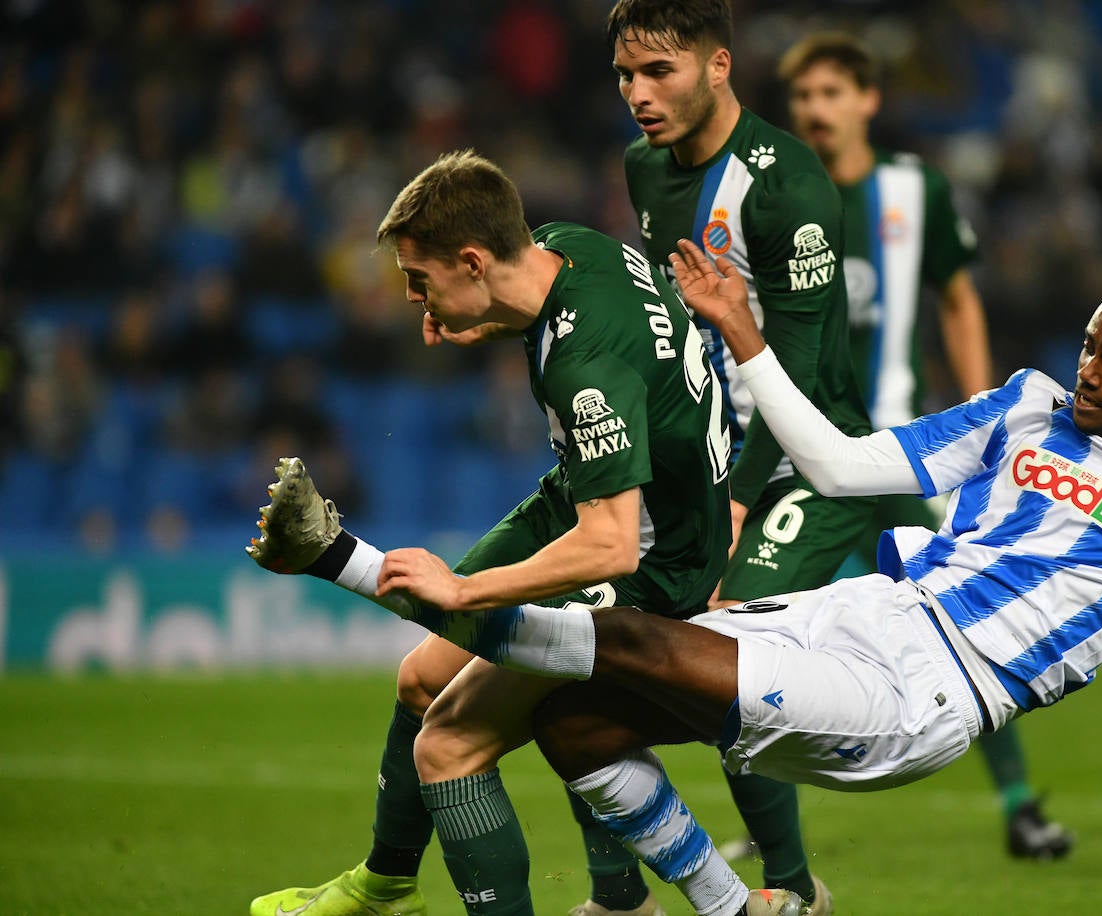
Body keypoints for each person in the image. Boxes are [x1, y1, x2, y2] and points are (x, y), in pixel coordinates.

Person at [333, 255, 1102, 915]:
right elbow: (837, 466)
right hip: (872, 612)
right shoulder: (1026, 407)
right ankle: (738, 908)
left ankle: (357, 565)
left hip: (940, 690)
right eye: (1090, 346)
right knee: (576, 727)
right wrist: (747, 344)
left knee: (639, 634)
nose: (1090, 370)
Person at [246, 150, 784, 916]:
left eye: (419, 277)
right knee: (419, 678)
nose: (411, 296)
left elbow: (610, 546)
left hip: (647, 565)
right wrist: (486, 321)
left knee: (449, 746)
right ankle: (388, 884)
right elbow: (585, 342)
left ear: (472, 259)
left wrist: (463, 586)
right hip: (596, 503)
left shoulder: (583, 364)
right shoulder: (575, 246)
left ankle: (332, 555)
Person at [560, 3, 877, 914]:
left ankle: (790, 892)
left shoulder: (788, 187)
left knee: (726, 648)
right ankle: (620, 897)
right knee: (595, 642)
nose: (636, 94)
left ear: (718, 66)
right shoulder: (643, 168)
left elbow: (810, 375)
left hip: (806, 466)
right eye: (624, 74)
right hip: (703, 455)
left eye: (658, 70)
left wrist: (736, 497)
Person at [777, 31, 1070, 859]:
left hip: (899, 448)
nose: (814, 110)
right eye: (802, 97)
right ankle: (769, 829)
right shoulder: (776, 195)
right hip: (797, 454)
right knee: (757, 625)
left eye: (831, 93)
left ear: (868, 100)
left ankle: (1018, 803)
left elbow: (958, 301)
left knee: (967, 617)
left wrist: (990, 425)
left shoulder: (915, 190)